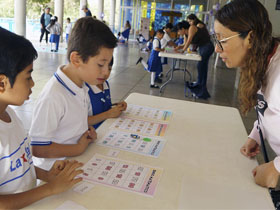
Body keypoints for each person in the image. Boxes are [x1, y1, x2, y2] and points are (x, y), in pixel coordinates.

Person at [0, 27, 83, 209]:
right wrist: (50, 189)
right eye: (28, 76)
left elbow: (21, 165)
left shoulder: (9, 115)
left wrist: (48, 176)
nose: (33, 84)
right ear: (2, 83)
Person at [29, 17, 118, 171]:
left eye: (108, 65)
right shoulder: (54, 96)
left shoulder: (81, 85)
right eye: (100, 64)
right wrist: (77, 148)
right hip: (57, 173)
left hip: (78, 161)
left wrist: (86, 135)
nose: (105, 72)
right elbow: (38, 148)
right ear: (76, 59)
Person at [214, 0, 280, 189]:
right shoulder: (262, 60)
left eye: (222, 39)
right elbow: (266, 107)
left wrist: (276, 168)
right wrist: (256, 135)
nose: (217, 49)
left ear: (250, 38)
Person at [175, 21, 214, 99]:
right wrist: (178, 48)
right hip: (202, 48)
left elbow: (189, 41)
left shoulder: (192, 28)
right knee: (202, 67)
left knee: (201, 66)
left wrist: (182, 50)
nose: (178, 33)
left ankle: (200, 88)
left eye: (178, 31)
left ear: (182, 29)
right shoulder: (185, 34)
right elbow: (184, 44)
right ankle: (201, 88)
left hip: (207, 46)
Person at [87, 57, 127, 129]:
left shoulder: (105, 84)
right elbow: (82, 121)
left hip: (108, 126)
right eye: (100, 67)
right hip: (94, 132)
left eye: (109, 69)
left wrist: (116, 106)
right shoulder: (84, 89)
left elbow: (103, 105)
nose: (106, 73)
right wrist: (108, 114)